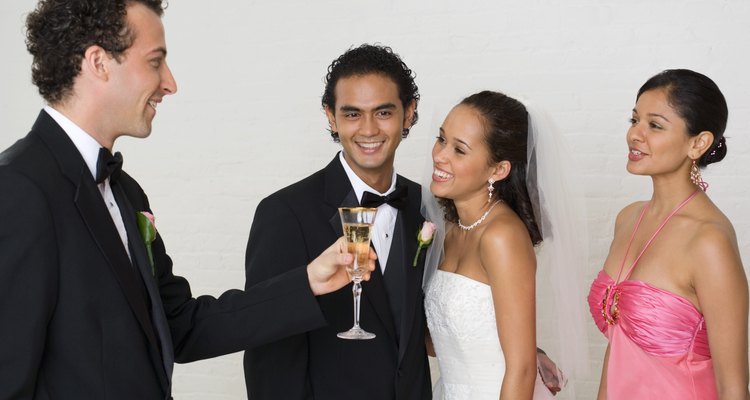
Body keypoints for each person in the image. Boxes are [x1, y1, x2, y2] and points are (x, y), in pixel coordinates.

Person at [0, 1, 375, 398]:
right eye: (155, 62)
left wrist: (307, 282)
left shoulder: (125, 192)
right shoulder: (18, 190)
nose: (170, 83)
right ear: (99, 62)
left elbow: (180, 325)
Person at [242, 43, 432, 399]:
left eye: (384, 112)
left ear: (409, 113)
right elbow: (270, 357)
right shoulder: (285, 213)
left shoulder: (427, 206)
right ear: (331, 116)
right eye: (352, 114)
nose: (369, 129)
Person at [587, 69, 748, 399]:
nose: (635, 134)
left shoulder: (708, 240)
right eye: (635, 120)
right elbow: (620, 352)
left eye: (655, 125)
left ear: (698, 143)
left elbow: (734, 387)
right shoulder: (628, 218)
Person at [422, 91, 588, 399]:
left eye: (459, 150)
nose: (440, 155)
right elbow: (443, 342)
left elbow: (522, 368)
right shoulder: (447, 230)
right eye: (441, 139)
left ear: (498, 170)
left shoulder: (502, 236)